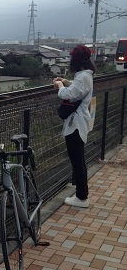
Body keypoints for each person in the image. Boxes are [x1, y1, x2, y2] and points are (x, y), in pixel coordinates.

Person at [53, 44, 95, 208]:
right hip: (79, 123)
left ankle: (81, 197)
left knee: (77, 161)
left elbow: (68, 95)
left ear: (75, 60)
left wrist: (60, 86)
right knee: (79, 160)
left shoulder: (82, 76)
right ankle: (81, 195)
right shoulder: (86, 75)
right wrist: (66, 81)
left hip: (75, 125)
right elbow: (78, 89)